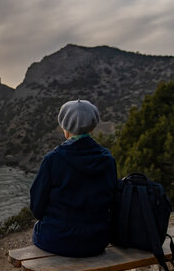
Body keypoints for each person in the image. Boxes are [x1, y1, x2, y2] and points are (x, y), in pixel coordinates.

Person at [30, 99, 117, 257]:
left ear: (64, 126)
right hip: (97, 241)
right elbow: (112, 199)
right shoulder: (108, 160)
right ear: (93, 126)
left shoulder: (53, 160)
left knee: (38, 228)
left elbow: (37, 207)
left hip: (56, 240)